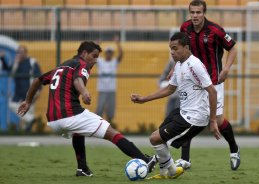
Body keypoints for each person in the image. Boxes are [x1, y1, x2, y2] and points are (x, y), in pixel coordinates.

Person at [17, 41, 157, 177]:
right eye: (94, 56)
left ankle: (82, 169)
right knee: (112, 133)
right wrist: (84, 92)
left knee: (78, 131)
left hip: (54, 120)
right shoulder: (81, 64)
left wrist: (28, 101)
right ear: (84, 53)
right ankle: (146, 160)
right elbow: (77, 79)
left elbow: (37, 80)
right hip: (69, 114)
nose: (96, 60)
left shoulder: (61, 67)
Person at [131, 32, 220, 179]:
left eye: (175, 48)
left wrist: (212, 120)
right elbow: (169, 89)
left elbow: (212, 92)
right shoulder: (179, 65)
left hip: (194, 117)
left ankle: (167, 168)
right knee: (157, 137)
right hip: (183, 111)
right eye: (170, 49)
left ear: (186, 47)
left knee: (155, 139)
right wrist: (144, 99)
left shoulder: (194, 65)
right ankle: (168, 171)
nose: (172, 52)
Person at [166, 0, 240, 171]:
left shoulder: (215, 30)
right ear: (189, 13)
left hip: (212, 81)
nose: (195, 16)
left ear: (204, 13)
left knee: (218, 120)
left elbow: (233, 48)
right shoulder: (184, 28)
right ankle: (185, 159)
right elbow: (180, 50)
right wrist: (174, 69)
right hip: (192, 81)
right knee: (189, 117)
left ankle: (234, 149)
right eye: (192, 12)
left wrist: (227, 68)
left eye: (198, 12)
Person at [10, 45, 41, 132]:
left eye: (22, 52)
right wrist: (16, 63)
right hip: (18, 93)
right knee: (12, 105)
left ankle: (27, 135)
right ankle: (31, 119)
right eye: (19, 52)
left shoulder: (32, 62)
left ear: (25, 53)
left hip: (29, 93)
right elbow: (11, 73)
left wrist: (38, 91)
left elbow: (39, 78)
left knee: (28, 117)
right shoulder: (16, 63)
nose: (20, 54)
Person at [96, 36, 123, 127]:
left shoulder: (114, 62)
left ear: (112, 54)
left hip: (111, 90)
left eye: (110, 53)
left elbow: (121, 55)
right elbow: (94, 55)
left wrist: (118, 43)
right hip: (102, 90)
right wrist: (97, 45)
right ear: (105, 53)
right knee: (99, 109)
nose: (109, 54)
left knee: (111, 111)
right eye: (107, 52)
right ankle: (97, 127)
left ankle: (108, 127)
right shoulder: (100, 61)